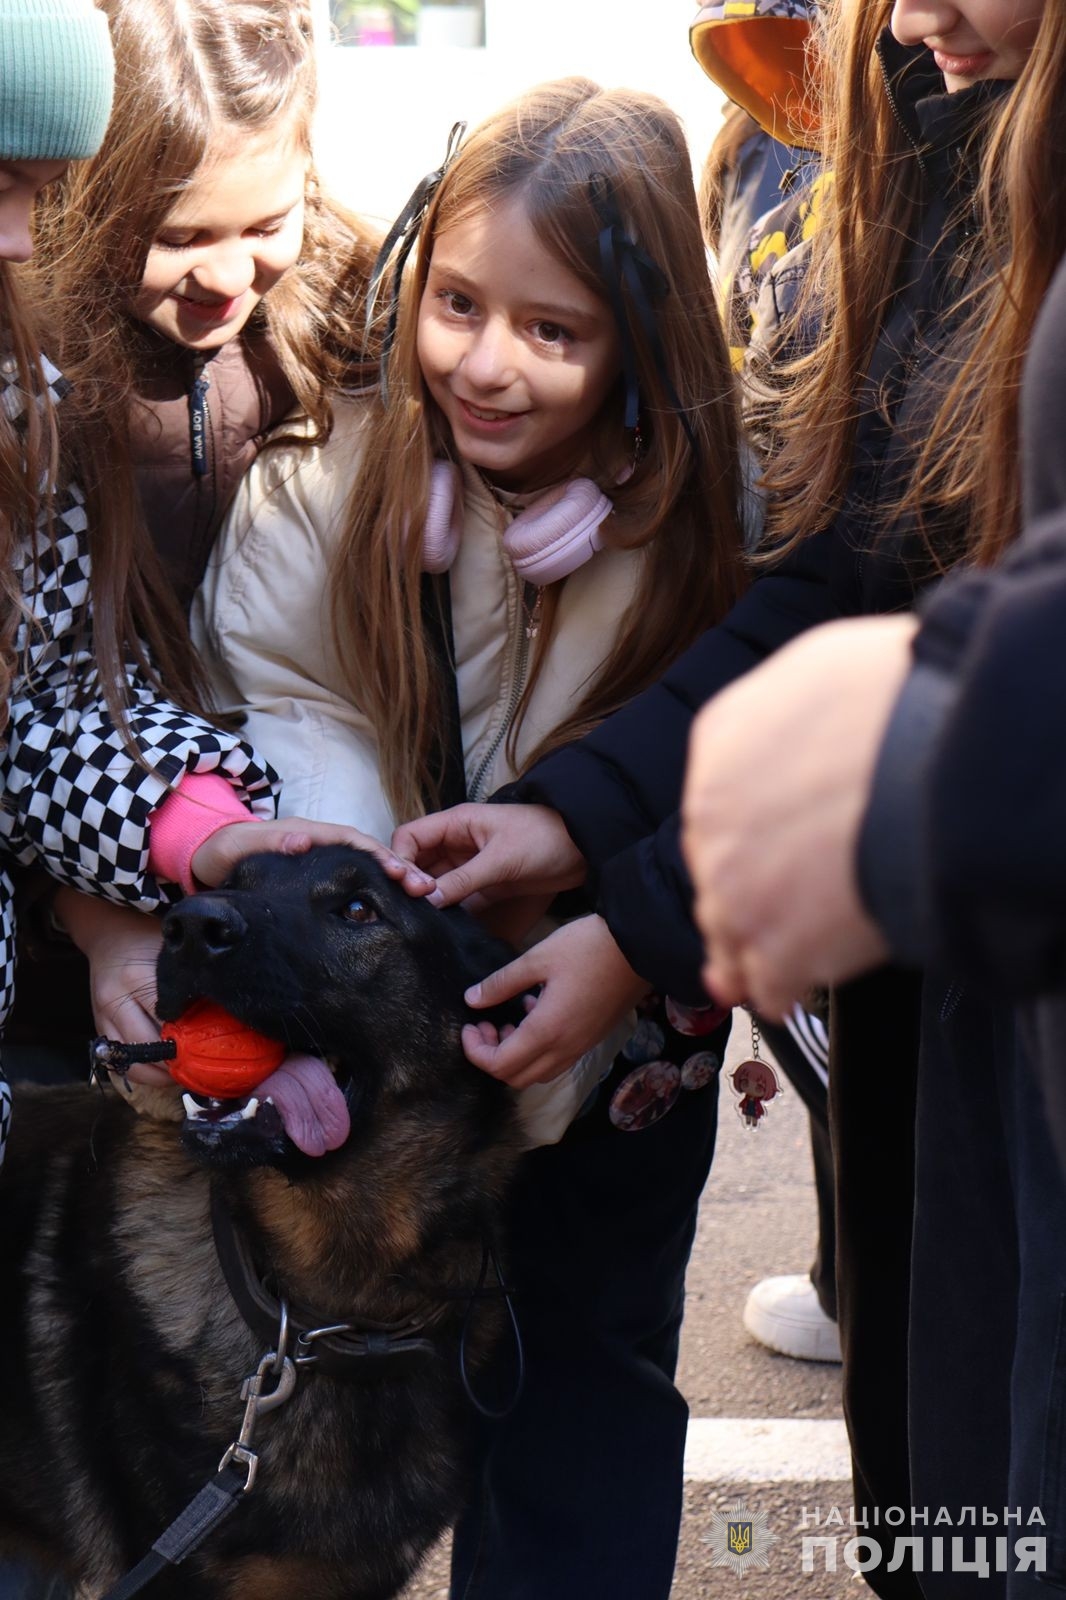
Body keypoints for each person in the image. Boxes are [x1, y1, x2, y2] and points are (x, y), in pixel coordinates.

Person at [395, 6, 1056, 1594]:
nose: (901, 19)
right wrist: (591, 823)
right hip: (952, 979)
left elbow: (919, 639)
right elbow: (864, 575)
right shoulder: (936, 127)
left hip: (990, 915)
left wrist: (651, 913)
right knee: (944, 1505)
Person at [196, 78, 746, 1599]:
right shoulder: (324, 480)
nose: (485, 367)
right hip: (384, 1061)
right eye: (455, 305)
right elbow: (289, 713)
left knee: (586, 1381)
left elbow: (737, 772)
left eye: (554, 334)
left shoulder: (717, 528)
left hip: (618, 1028)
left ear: (646, 347)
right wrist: (402, 960)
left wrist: (613, 946)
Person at [14, 0, 388, 1060]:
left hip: (278, 873)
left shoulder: (346, 320)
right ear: (78, 191)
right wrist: (94, 914)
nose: (227, 277)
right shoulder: (39, 394)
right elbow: (35, 718)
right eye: (179, 236)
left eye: (266, 225)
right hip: (82, 894)